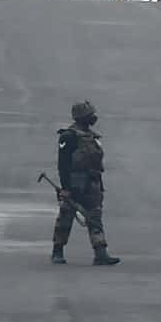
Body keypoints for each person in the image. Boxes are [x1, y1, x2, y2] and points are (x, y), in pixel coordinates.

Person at [51, 100, 121, 267]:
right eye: (90, 115)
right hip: (75, 184)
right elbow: (63, 165)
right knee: (66, 218)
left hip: (93, 184)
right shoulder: (68, 136)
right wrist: (66, 188)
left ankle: (100, 253)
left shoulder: (92, 136)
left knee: (95, 218)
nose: (93, 118)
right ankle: (57, 251)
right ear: (81, 117)